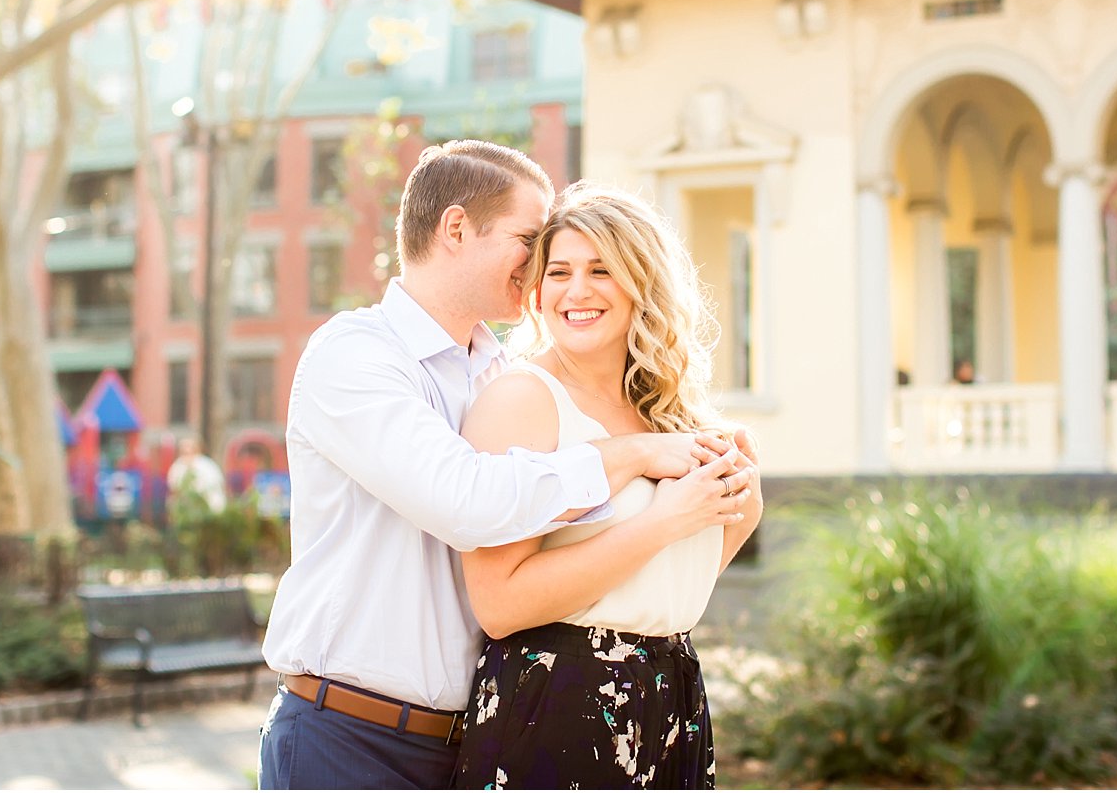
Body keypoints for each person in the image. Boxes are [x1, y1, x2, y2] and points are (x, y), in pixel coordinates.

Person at [257, 141, 754, 790]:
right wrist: (633, 457)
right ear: (457, 228)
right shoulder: (356, 357)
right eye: (530, 239)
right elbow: (464, 502)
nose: (539, 261)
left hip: (474, 730)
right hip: (352, 735)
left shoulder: (496, 370)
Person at [451, 183, 763, 790]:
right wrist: (665, 520)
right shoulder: (523, 399)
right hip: (558, 699)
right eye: (559, 271)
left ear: (641, 283)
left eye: (601, 270)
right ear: (536, 290)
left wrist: (737, 516)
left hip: (671, 693)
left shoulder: (669, 413)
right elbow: (500, 605)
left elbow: (652, 585)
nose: (576, 290)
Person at [165, 436, 227, 514]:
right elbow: (173, 488)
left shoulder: (207, 465)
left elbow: (218, 485)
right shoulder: (177, 467)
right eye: (184, 452)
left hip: (208, 504)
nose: (187, 455)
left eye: (190, 451)